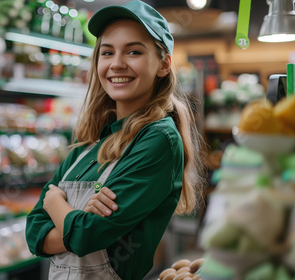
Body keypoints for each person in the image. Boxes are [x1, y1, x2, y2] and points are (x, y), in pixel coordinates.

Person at [25, 1, 205, 279]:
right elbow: (34, 231)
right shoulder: (90, 142)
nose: (117, 63)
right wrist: (78, 220)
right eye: (107, 52)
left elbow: (88, 237)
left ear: (164, 65)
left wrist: (55, 204)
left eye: (134, 51)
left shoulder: (158, 139)